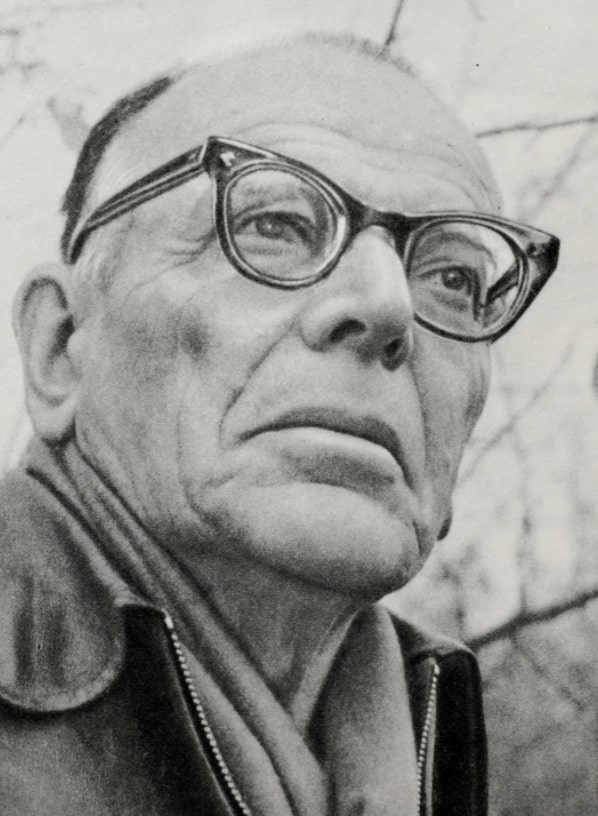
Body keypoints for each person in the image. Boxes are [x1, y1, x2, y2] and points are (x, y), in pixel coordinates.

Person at [0, 33, 559, 816]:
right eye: (274, 225)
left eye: (451, 276)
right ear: (60, 347)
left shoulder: (435, 744)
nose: (389, 304)